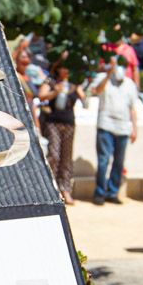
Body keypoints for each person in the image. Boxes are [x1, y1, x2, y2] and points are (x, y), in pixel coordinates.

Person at [91, 52, 140, 205]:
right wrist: (108, 74)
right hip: (105, 125)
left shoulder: (130, 84)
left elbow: (132, 108)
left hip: (123, 127)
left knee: (119, 162)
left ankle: (112, 192)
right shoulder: (102, 79)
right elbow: (96, 91)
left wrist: (135, 128)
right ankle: (99, 192)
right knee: (103, 160)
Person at [38, 62, 82, 205]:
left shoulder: (74, 83)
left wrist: (79, 90)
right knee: (54, 155)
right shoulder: (51, 81)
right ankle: (51, 188)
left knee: (66, 157)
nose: (66, 70)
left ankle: (65, 189)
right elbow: (42, 96)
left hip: (68, 122)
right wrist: (56, 91)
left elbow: (84, 97)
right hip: (53, 122)